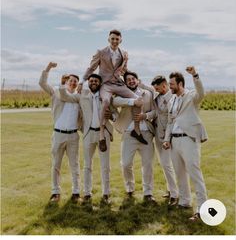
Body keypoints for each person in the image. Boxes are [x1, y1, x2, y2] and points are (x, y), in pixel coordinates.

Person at [78, 29, 147, 152]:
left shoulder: (123, 53)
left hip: (118, 83)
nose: (115, 41)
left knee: (138, 100)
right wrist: (81, 81)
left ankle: (137, 131)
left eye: (117, 39)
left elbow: (123, 71)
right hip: (106, 85)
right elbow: (91, 67)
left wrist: (126, 61)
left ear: (121, 40)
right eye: (113, 38)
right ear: (108, 39)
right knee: (105, 101)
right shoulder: (101, 52)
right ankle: (101, 135)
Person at [59, 73, 122, 204]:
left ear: (99, 83)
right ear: (88, 82)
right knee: (87, 166)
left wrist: (112, 116)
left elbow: (116, 114)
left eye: (96, 81)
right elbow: (65, 96)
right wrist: (63, 83)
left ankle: (106, 193)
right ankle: (87, 193)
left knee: (105, 166)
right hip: (88, 135)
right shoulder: (82, 96)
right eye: (91, 81)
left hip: (103, 134)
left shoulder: (106, 97)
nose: (93, 82)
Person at [163, 66, 208, 221]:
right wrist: (167, 139)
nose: (170, 87)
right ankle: (185, 202)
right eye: (169, 84)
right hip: (174, 141)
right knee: (180, 173)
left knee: (195, 174)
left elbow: (201, 93)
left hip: (189, 139)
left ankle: (202, 210)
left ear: (180, 84)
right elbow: (170, 121)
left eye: (172, 84)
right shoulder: (172, 100)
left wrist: (195, 75)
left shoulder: (192, 96)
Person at [39, 62, 82, 203]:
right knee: (56, 164)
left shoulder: (79, 98)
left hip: (73, 136)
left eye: (76, 81)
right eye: (71, 80)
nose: (73, 83)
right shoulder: (56, 93)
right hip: (58, 135)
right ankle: (55, 192)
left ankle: (76, 192)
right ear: (67, 81)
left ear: (77, 84)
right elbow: (42, 83)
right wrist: (48, 68)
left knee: (74, 165)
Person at [112, 71, 156, 203]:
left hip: (146, 134)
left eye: (133, 79)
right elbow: (115, 101)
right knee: (125, 164)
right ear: (125, 82)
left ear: (138, 80)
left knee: (147, 164)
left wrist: (145, 116)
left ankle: (148, 192)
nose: (131, 81)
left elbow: (155, 112)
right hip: (129, 134)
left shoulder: (147, 94)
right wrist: (132, 102)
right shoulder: (121, 94)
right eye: (128, 79)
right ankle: (130, 189)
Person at [137, 75, 178, 206]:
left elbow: (172, 119)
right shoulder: (157, 96)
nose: (156, 90)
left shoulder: (173, 98)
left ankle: (175, 194)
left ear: (165, 85)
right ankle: (170, 190)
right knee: (164, 164)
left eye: (158, 88)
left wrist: (168, 138)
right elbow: (155, 113)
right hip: (157, 135)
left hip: (169, 136)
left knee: (167, 164)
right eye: (155, 88)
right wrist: (145, 116)